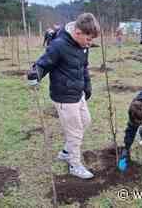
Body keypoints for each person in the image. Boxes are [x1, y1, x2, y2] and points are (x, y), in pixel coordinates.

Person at [27, 13, 100, 179]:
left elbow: (84, 67)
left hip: (78, 92)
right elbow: (43, 64)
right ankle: (75, 165)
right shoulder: (58, 45)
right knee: (75, 132)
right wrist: (35, 75)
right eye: (88, 39)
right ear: (78, 32)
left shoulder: (83, 47)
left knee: (86, 121)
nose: (90, 43)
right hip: (64, 96)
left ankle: (66, 152)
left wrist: (87, 86)